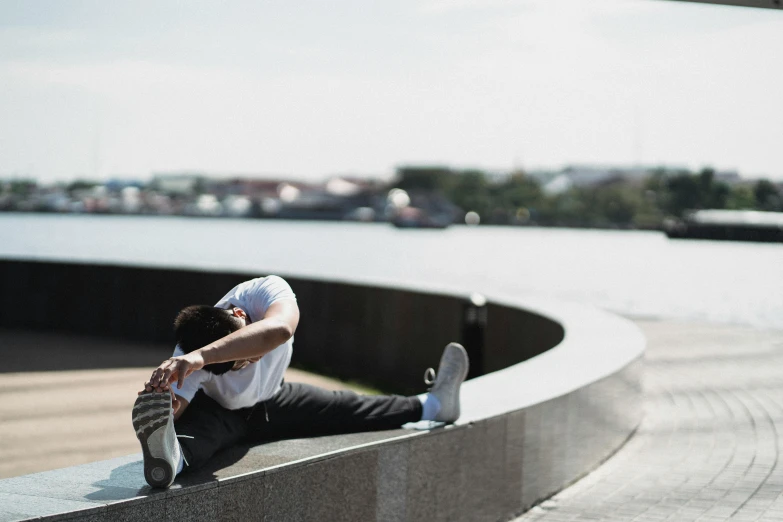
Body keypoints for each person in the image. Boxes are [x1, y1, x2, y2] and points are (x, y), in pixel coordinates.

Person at [131, 275, 469, 488]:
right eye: (238, 366)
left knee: (347, 406)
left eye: (246, 356)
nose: (248, 363)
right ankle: (169, 463)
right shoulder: (187, 350)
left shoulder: (264, 291)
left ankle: (435, 405)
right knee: (198, 434)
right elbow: (181, 403)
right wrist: (166, 406)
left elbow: (281, 329)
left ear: (240, 315)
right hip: (224, 413)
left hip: (275, 401)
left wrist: (205, 357)